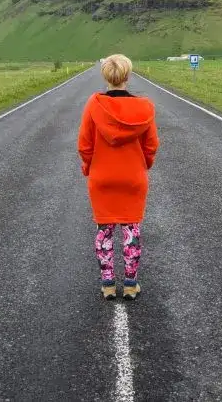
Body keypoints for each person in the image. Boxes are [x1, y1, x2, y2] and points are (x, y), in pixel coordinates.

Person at [78, 54, 159, 300]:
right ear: (128, 75)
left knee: (104, 231)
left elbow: (84, 145)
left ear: (106, 76)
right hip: (133, 178)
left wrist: (89, 169)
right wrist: (142, 165)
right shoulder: (144, 108)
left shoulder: (94, 104)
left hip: (102, 178)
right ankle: (131, 285)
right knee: (131, 230)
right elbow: (151, 145)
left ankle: (108, 284)